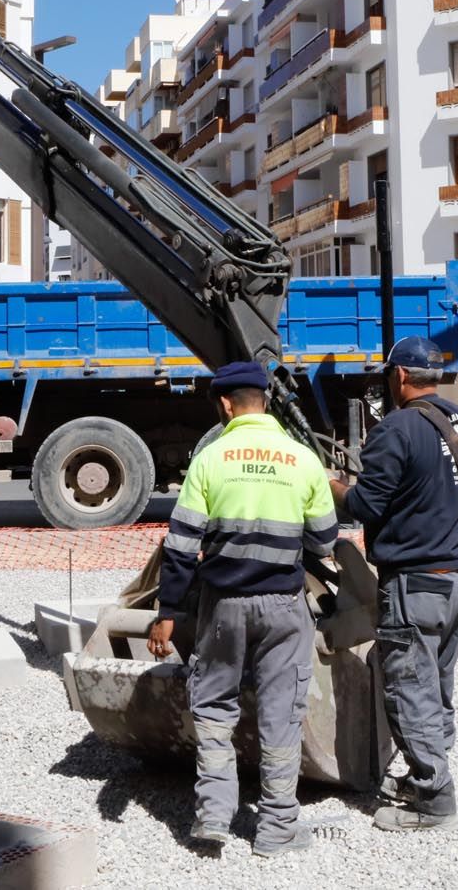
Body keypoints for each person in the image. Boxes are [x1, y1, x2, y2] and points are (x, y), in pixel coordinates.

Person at [149, 360, 338, 858]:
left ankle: (213, 816)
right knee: (281, 712)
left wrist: (168, 610)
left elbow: (181, 543)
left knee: (213, 706)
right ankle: (275, 829)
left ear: (226, 405)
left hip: (223, 606)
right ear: (266, 402)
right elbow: (324, 540)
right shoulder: (302, 459)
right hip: (283, 605)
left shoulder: (211, 459)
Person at [331, 336, 458, 832]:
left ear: (399, 377)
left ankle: (434, 799)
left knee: (408, 686)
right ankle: (429, 772)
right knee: (436, 682)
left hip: (415, 580)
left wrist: (331, 484)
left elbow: (363, 506)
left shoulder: (395, 429)